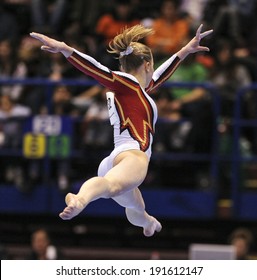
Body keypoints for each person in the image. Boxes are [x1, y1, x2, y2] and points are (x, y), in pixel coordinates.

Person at [30, 24, 213, 237]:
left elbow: (160, 76)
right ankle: (79, 198)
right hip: (133, 156)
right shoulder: (127, 85)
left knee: (136, 207)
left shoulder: (137, 91)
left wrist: (185, 51)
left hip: (114, 160)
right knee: (112, 187)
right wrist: (64, 49)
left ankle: (148, 222)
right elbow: (97, 68)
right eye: (153, 65)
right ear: (147, 65)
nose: (154, 70)